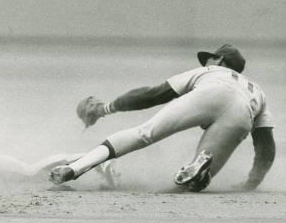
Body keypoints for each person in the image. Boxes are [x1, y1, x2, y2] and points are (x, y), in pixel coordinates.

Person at [49, 44, 275, 192]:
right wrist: (251, 183)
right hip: (243, 114)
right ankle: (199, 169)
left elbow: (152, 95)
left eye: (209, 59)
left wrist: (105, 108)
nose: (204, 63)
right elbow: (266, 147)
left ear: (220, 60)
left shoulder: (210, 72)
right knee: (191, 186)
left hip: (212, 92)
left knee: (144, 134)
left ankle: (75, 168)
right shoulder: (257, 91)